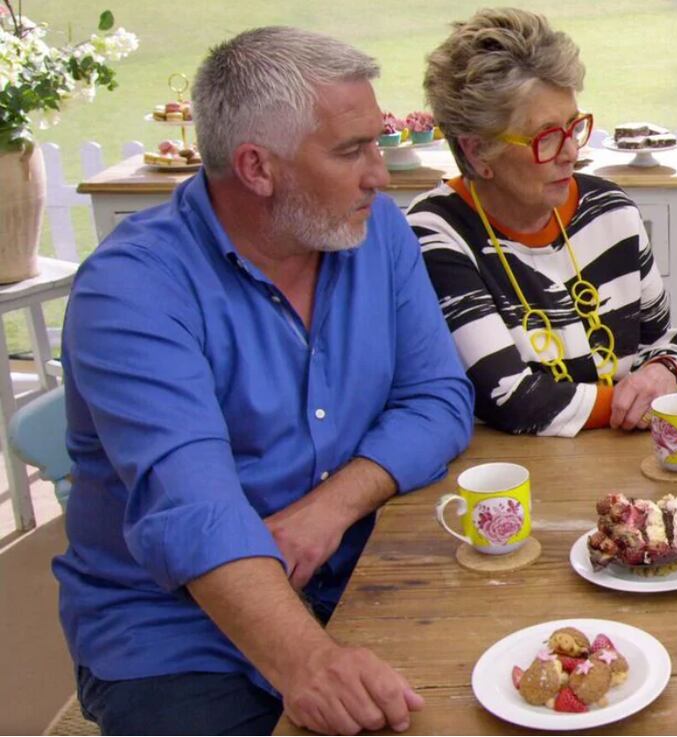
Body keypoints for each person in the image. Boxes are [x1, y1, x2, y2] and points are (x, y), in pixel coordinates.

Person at [53, 27, 474, 734]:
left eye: (377, 142)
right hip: (177, 637)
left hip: (356, 576)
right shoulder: (132, 291)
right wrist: (309, 662)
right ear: (256, 167)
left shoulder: (378, 233)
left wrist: (331, 506)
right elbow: (194, 510)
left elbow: (436, 397)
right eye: (351, 151)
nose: (381, 173)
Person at [408, 8, 677, 437]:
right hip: (518, 478)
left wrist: (665, 373)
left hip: (623, 466)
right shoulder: (436, 235)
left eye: (574, 127)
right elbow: (513, 398)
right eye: (546, 136)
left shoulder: (611, 210)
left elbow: (666, 344)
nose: (571, 153)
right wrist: (640, 402)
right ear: (478, 150)